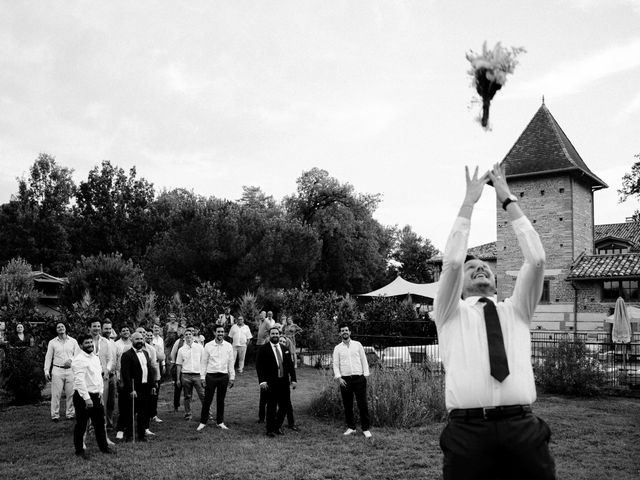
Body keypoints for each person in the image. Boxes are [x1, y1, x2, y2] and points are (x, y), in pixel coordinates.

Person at [433, 164, 555, 480]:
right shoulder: (449, 313)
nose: (480, 268)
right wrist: (469, 203)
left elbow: (538, 259)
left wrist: (507, 199)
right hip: (468, 433)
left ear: (496, 278)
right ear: (457, 285)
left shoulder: (517, 310)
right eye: (472, 267)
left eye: (486, 266)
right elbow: (454, 261)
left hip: (522, 430)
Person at [71, 334, 114, 457]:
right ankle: (79, 451)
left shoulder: (95, 357)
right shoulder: (78, 360)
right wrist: (87, 399)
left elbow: (98, 378)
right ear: (80, 345)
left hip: (96, 396)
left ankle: (104, 448)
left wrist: (100, 392)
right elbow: (79, 381)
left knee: (100, 424)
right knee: (82, 425)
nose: (90, 345)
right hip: (83, 397)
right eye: (87, 343)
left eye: (91, 342)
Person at [256, 326, 297, 437]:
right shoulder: (263, 349)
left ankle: (277, 426)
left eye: (276, 333)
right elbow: (259, 367)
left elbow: (290, 366)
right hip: (270, 383)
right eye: (273, 334)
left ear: (280, 334)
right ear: (270, 335)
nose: (275, 335)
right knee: (271, 407)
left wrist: (293, 379)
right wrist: (262, 381)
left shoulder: (285, 349)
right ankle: (270, 430)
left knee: (284, 406)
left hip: (283, 382)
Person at [332, 323, 371, 438]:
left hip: (359, 379)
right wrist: (339, 377)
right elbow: (335, 364)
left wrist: (366, 375)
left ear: (350, 332)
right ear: (340, 333)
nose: (345, 332)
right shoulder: (337, 348)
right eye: (342, 330)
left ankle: (365, 429)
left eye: (346, 330)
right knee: (347, 405)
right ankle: (351, 427)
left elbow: (364, 360)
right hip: (345, 381)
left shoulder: (357, 345)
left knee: (362, 404)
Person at [120, 331, 157, 442]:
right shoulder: (126, 355)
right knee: (130, 413)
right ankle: (129, 435)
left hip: (145, 387)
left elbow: (149, 370)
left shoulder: (145, 353)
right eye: (137, 339)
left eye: (141, 339)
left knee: (143, 412)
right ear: (132, 340)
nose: (140, 341)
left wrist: (153, 385)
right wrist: (131, 389)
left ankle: (141, 435)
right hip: (134, 388)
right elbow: (125, 374)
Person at [196, 325, 235, 431]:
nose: (220, 334)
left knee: (221, 400)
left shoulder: (228, 346)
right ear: (214, 333)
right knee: (207, 400)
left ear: (224, 333)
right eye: (218, 332)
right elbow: (203, 362)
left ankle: (220, 422)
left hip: (223, 376)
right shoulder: (208, 346)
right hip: (211, 376)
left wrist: (232, 377)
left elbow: (231, 362)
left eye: (222, 332)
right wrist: (202, 377)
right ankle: (203, 422)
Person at [44, 322, 79, 421]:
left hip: (70, 370)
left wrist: (71, 360)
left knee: (71, 393)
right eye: (58, 327)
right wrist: (46, 370)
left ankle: (70, 414)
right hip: (57, 370)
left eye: (62, 326)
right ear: (56, 330)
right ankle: (55, 415)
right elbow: (48, 357)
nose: (60, 328)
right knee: (56, 394)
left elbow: (78, 354)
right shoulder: (52, 342)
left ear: (65, 328)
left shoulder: (73, 341)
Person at [175, 327, 205, 421]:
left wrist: (204, 375)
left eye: (190, 334)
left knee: (203, 395)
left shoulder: (200, 347)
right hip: (186, 376)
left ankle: (208, 414)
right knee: (187, 397)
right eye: (186, 335)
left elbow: (204, 362)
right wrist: (178, 379)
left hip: (198, 375)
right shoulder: (181, 350)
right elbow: (179, 365)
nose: (188, 336)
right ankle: (188, 415)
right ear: (184, 337)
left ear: (193, 336)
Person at [255, 311, 275, 423]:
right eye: (260, 315)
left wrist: (267, 338)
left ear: (265, 315)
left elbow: (272, 330)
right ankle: (261, 418)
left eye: (262, 314)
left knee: (271, 399)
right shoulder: (261, 322)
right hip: (260, 343)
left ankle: (270, 417)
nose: (261, 316)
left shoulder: (267, 322)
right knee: (263, 399)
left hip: (264, 342)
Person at [114, 325, 133, 440]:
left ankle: (130, 428)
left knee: (132, 405)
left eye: (127, 330)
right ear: (120, 333)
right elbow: (116, 361)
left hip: (132, 377)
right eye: (123, 330)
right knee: (123, 404)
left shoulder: (133, 342)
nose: (126, 332)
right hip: (121, 376)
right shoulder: (116, 344)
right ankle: (120, 428)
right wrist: (118, 376)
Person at [101, 319, 118, 430]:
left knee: (111, 402)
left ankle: (109, 423)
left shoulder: (113, 343)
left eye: (109, 329)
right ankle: (100, 424)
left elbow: (115, 359)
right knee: (102, 402)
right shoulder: (99, 342)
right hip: (102, 376)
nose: (108, 331)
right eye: (106, 328)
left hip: (113, 376)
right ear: (102, 329)